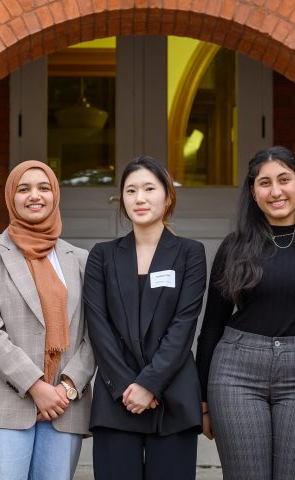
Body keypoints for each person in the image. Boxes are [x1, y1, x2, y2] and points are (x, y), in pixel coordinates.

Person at [196, 146, 295, 480]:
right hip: (236, 373)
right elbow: (211, 327)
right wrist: (202, 399)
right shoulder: (234, 247)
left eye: (284, 180)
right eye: (264, 183)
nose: (276, 191)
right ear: (252, 192)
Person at [0, 160, 95, 480]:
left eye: (43, 188)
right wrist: (36, 386)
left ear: (56, 195)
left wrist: (67, 387)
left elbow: (94, 334)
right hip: (5, 402)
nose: (34, 196)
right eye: (24, 189)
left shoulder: (79, 259)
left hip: (65, 406)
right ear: (11, 197)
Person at [83, 156, 207, 480]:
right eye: (131, 190)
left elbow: (183, 327)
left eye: (149, 188)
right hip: (116, 398)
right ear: (122, 200)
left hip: (173, 396)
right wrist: (127, 385)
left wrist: (149, 384)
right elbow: (98, 326)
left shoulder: (190, 253)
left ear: (167, 197)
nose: (140, 198)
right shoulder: (102, 255)